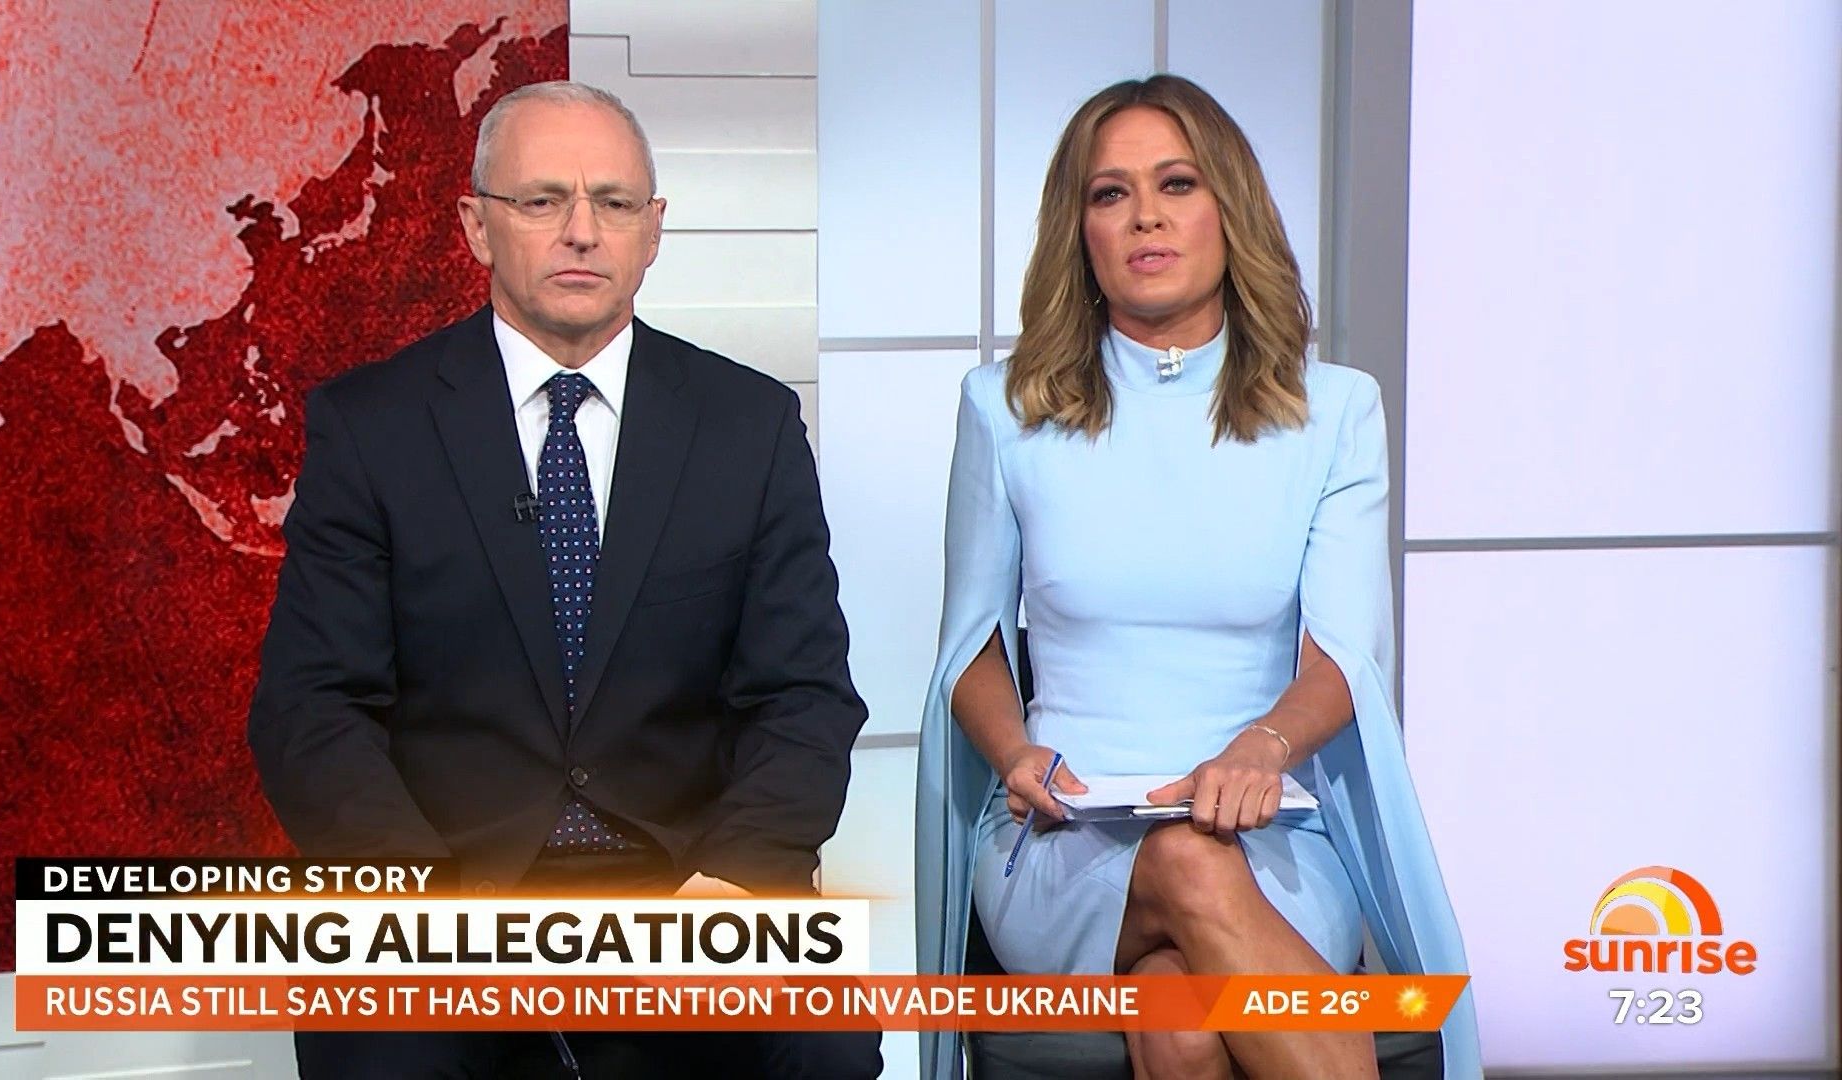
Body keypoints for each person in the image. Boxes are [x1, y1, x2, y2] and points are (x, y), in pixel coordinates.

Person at [249, 80, 881, 1079]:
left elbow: (804, 697)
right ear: (477, 226)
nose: (582, 231)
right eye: (542, 200)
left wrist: (736, 880)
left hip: (688, 885)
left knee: (825, 1046)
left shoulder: (748, 426)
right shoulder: (372, 428)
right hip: (449, 890)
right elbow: (311, 710)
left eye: (614, 203)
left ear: (653, 230)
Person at [914, 75, 1481, 1079]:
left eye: (1176, 184)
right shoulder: (1003, 408)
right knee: (1183, 857)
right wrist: (1015, 754)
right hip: (1062, 832)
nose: (1146, 216)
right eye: (1111, 193)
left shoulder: (1335, 412)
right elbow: (972, 649)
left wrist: (1263, 748)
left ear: (1230, 207)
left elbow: (1345, 658)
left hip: (1272, 831)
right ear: (1080, 230)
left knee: (1179, 1022)